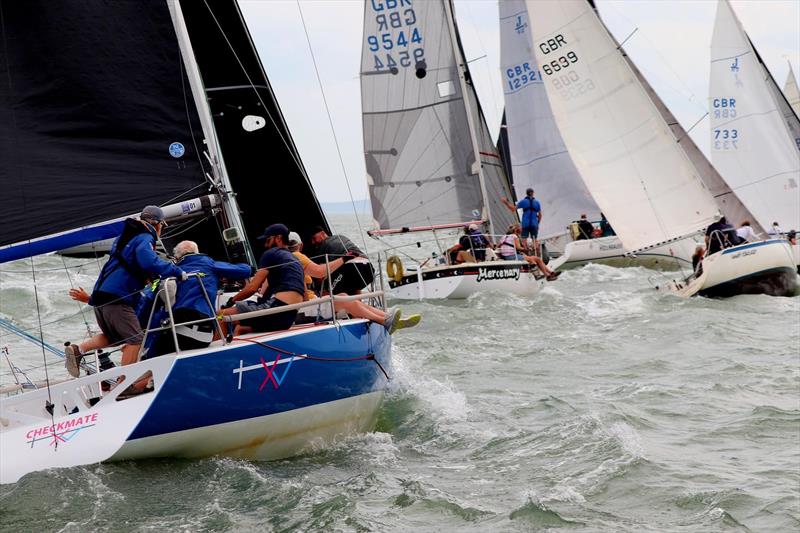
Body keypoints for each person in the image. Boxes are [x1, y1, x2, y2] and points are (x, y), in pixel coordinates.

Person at [64, 205, 185, 377]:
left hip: (102, 299)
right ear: (157, 224)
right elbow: (148, 261)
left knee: (115, 337)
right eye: (163, 226)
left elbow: (131, 267)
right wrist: (178, 272)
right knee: (136, 340)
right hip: (117, 300)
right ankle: (126, 385)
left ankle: (79, 349)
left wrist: (91, 299)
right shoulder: (145, 237)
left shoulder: (126, 237)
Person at [288, 232, 421, 332]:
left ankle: (387, 318)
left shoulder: (288, 258)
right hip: (306, 309)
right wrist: (343, 259)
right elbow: (319, 272)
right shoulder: (296, 257)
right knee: (343, 300)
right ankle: (384, 320)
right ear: (300, 245)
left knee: (345, 297)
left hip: (310, 304)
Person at [149, 240, 252, 355]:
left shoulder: (169, 272)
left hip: (174, 330)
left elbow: (151, 299)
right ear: (197, 252)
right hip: (204, 333)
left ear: (177, 257)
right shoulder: (210, 264)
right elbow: (245, 270)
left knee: (149, 354)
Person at [220, 224, 304, 336]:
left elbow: (252, 287)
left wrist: (231, 301)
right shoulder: (295, 259)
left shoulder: (271, 253)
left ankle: (212, 352)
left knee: (222, 316)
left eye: (268, 240)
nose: (265, 244)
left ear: (278, 238)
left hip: (277, 309)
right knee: (240, 328)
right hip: (289, 317)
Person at [308, 227, 375, 295]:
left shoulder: (323, 246)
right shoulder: (341, 237)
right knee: (352, 287)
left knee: (328, 291)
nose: (313, 242)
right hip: (369, 269)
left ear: (322, 233)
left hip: (351, 268)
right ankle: (359, 304)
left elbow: (321, 273)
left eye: (314, 238)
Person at [502, 188, 541, 253]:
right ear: (533, 193)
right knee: (535, 239)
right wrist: (537, 223)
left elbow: (513, 209)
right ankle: (536, 252)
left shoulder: (524, 201)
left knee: (524, 239)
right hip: (534, 224)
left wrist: (506, 202)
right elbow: (540, 215)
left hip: (525, 224)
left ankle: (525, 252)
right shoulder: (537, 203)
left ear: (526, 193)